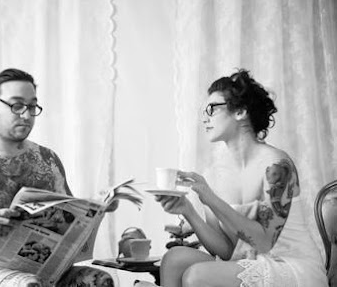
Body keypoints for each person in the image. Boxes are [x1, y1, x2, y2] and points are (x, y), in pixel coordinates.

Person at [140, 69, 328, 287]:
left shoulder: (277, 165)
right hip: (249, 262)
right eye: (204, 111)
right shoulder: (214, 174)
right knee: (174, 259)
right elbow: (227, 251)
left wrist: (211, 199)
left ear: (240, 111)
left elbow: (264, 242)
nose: (204, 118)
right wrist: (188, 210)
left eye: (212, 109)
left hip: (290, 266)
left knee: (196, 276)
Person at [0, 68, 116, 287]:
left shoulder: (48, 159)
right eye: (17, 105)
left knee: (100, 281)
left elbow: (73, 217)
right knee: (28, 285)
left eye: (32, 106)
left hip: (46, 267)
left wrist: (99, 206)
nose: (26, 115)